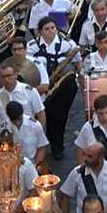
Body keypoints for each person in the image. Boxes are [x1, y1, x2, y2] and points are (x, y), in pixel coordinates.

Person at [27, 15, 79, 159]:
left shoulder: (67, 44)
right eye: (47, 29)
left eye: (53, 28)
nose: (51, 31)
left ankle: (58, 146)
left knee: (60, 117)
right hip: (43, 86)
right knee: (45, 116)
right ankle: (40, 145)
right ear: (40, 31)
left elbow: (77, 63)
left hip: (63, 87)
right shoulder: (32, 46)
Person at [0, 58, 46, 134]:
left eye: (9, 75)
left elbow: (41, 115)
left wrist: (38, 135)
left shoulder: (30, 92)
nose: (6, 79)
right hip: (7, 137)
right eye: (3, 76)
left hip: (28, 134)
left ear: (16, 75)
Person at [3, 100, 49, 166]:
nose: (17, 123)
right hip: (11, 165)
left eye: (19, 119)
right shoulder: (3, 128)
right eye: (14, 121)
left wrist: (37, 165)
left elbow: (41, 147)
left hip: (31, 163)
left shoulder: (35, 126)